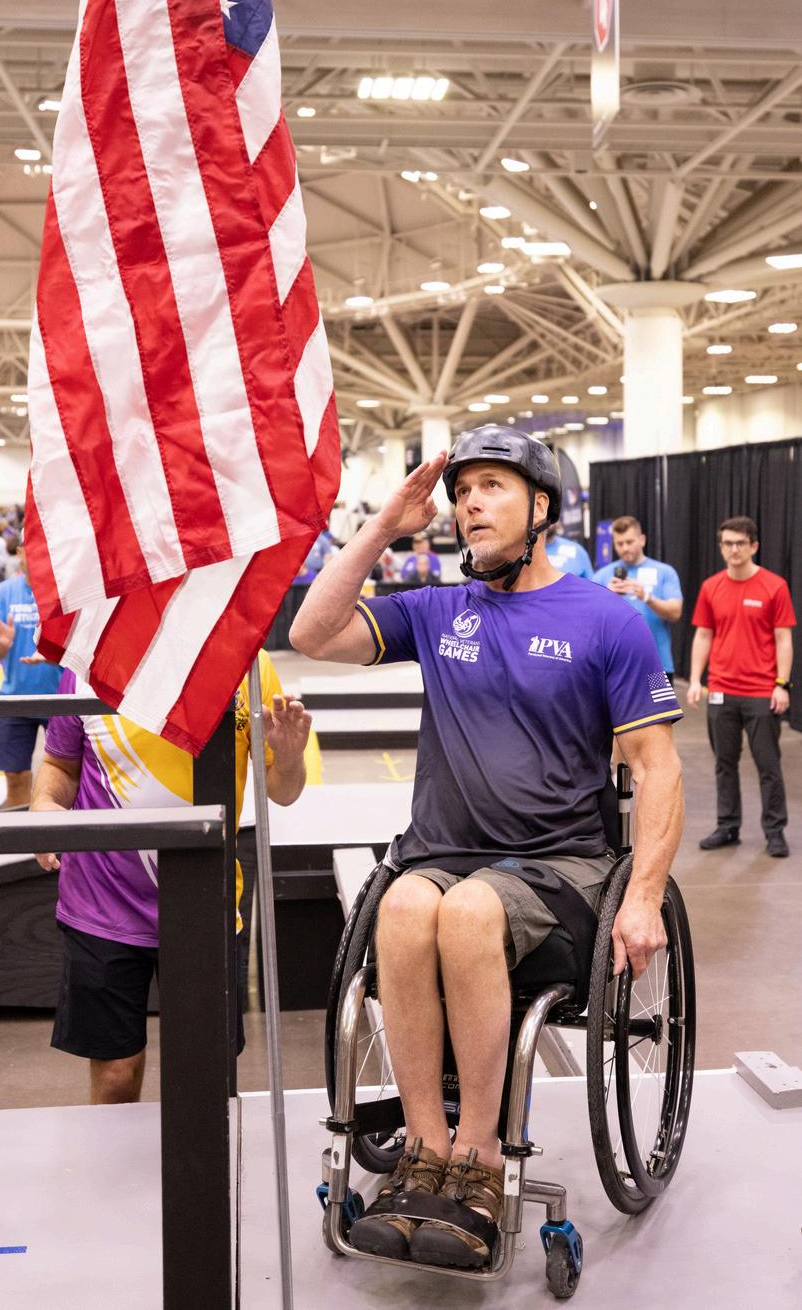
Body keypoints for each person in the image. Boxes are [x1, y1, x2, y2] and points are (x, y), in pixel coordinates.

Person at [290, 424, 683, 1270]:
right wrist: (383, 525)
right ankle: (423, 1151)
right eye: (462, 491)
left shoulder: (606, 621)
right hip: (439, 855)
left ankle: (479, 1159)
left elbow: (659, 770)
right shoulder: (438, 611)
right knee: (401, 905)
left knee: (471, 912)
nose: (470, 503)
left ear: (541, 508)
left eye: (491, 487)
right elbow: (312, 634)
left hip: (559, 867)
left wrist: (646, 894)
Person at [30, 653, 310, 1104]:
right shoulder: (90, 658)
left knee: (203, 1076)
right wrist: (45, 805)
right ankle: (118, 1154)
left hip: (205, 901)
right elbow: (60, 766)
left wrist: (291, 757)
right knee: (116, 1074)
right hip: (101, 900)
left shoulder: (247, 662)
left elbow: (282, 790)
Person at [688, 515, 796, 858]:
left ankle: (775, 831)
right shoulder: (711, 587)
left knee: (768, 765)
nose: (733, 549)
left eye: (740, 543)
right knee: (725, 763)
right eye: (727, 543)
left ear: (753, 547)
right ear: (721, 547)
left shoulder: (774, 586)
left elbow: (783, 640)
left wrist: (781, 684)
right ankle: (728, 826)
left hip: (761, 692)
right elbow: (703, 635)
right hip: (721, 689)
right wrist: (695, 680)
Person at [0, 534, 64, 807]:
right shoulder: (2, 593)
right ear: (20, 552)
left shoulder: (64, 592)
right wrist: (1, 645)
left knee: (64, 778)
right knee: (16, 777)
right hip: (15, 699)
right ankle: (21, 833)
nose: (40, 554)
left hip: (62, 701)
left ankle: (63, 834)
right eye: (33, 548)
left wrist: (55, 653)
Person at [593, 516, 683, 675]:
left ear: (642, 540)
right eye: (620, 543)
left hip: (656, 666)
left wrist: (647, 597)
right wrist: (606, 597)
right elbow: (587, 617)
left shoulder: (664, 572)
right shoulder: (602, 575)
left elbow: (675, 613)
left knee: (658, 694)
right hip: (614, 667)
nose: (625, 548)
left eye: (629, 542)